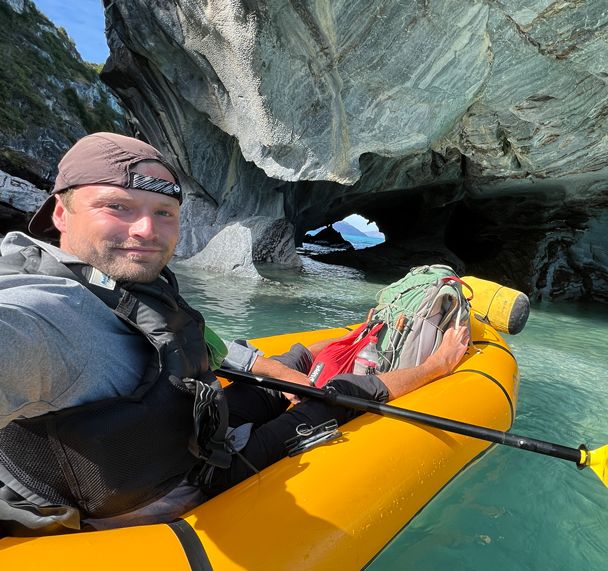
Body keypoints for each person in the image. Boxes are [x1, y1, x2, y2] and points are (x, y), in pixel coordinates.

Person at [0, 132, 469, 536]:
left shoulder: (118, 285)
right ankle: (436, 365)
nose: (145, 229)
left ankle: (361, 338)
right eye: (117, 207)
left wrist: (293, 371)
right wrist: (437, 368)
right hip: (179, 489)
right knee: (335, 396)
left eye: (164, 212)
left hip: (193, 436)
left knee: (290, 362)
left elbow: (201, 346)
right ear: (60, 214)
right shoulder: (43, 314)